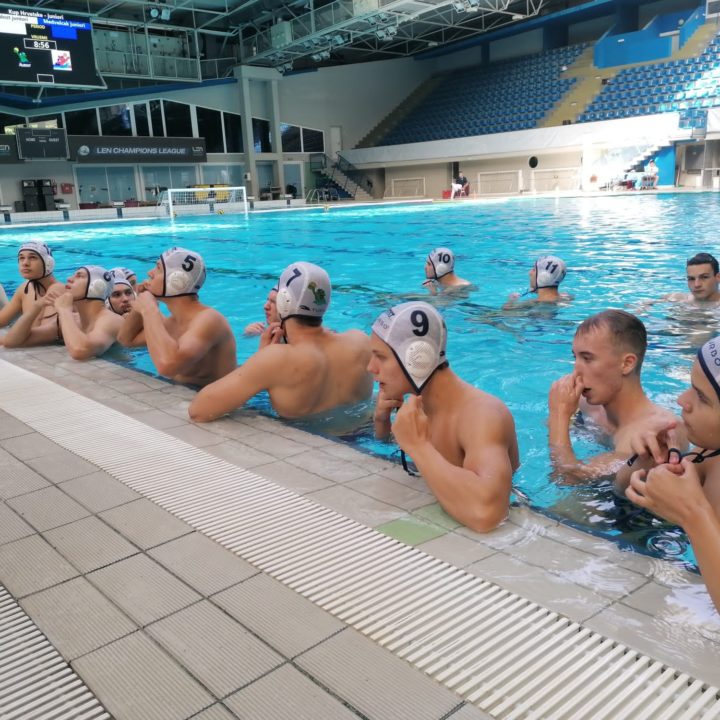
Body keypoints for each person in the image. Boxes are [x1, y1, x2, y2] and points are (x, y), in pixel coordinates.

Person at [369, 301, 519, 532]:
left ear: (417, 358)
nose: (371, 367)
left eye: (380, 357)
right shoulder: (417, 407)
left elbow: (487, 514)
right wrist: (382, 422)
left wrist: (418, 446)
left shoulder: (482, 415)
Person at [189, 261, 373, 422]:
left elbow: (199, 410)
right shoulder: (361, 341)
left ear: (284, 302)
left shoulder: (276, 358)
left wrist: (259, 360)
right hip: (361, 435)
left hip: (305, 443)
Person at [621, 336, 720, 613]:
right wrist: (641, 461)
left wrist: (693, 514)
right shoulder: (709, 448)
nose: (682, 400)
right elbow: (622, 493)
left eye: (701, 397)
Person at [548, 309, 684, 483]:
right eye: (576, 357)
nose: (576, 371)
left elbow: (567, 478)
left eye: (587, 359)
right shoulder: (584, 405)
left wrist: (558, 414)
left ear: (626, 364)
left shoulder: (655, 433)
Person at [117, 247, 236, 387]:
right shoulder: (173, 322)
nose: (150, 272)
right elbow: (126, 340)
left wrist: (149, 310)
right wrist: (141, 305)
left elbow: (167, 367)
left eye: (158, 268)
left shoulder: (209, 320)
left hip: (214, 399)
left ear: (176, 280)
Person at [3, 265, 123, 360]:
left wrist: (65, 310)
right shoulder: (73, 320)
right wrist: (37, 306)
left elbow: (80, 351)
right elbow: (12, 341)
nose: (69, 279)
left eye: (79, 276)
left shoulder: (112, 320)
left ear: (96, 287)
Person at [0, 242, 64, 342]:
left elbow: (44, 336)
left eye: (32, 257)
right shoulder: (25, 288)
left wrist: (7, 340)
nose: (25, 263)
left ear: (48, 263)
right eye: (21, 258)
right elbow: (2, 320)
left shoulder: (57, 290)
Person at [505, 255, 569, 307]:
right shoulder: (566, 297)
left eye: (534, 270)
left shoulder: (531, 305)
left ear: (543, 277)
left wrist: (510, 302)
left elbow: (504, 314)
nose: (530, 273)